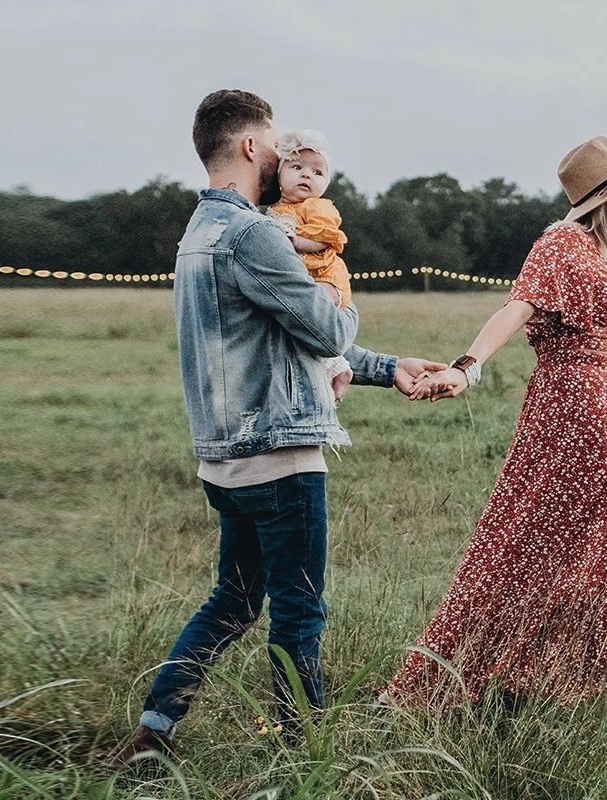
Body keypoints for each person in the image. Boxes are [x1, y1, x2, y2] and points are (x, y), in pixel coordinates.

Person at [108, 89, 439, 767]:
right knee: (299, 609)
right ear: (251, 146)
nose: (285, 159)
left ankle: (154, 731)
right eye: (276, 145)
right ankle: (304, 753)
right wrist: (340, 289)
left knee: (233, 601)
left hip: (225, 460)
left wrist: (387, 368)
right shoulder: (255, 234)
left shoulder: (199, 234)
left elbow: (284, 337)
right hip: (280, 456)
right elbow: (325, 330)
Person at [383, 136, 607, 707]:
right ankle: (505, 672)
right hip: (575, 411)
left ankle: (595, 677)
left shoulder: (599, 255)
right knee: (532, 540)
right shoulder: (561, 243)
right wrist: (466, 368)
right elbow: (516, 307)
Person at [265, 129, 354, 395]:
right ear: (279, 175)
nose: (307, 175)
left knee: (313, 313)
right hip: (305, 278)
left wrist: (298, 242)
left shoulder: (317, 206)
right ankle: (338, 367)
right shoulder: (274, 210)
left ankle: (336, 367)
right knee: (300, 322)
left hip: (326, 276)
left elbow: (326, 238)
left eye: (317, 172)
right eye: (297, 167)